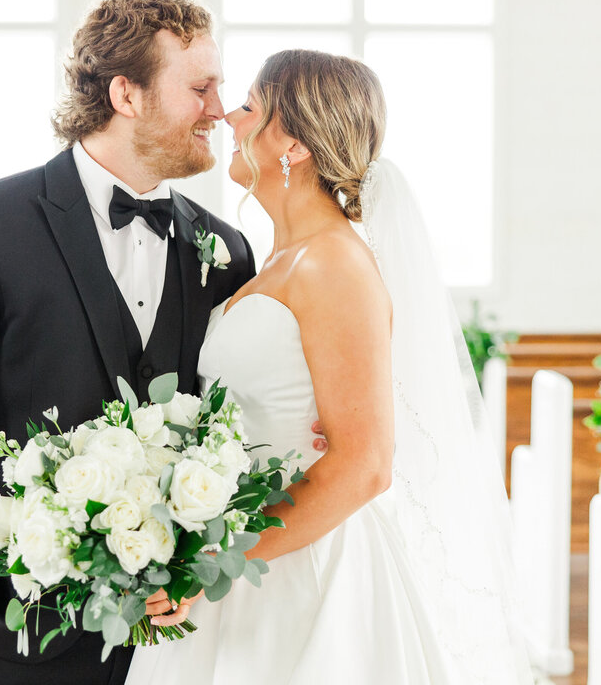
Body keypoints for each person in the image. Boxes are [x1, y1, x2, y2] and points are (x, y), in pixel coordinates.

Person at [0, 0, 266, 684]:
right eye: (201, 88)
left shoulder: (225, 248)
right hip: (15, 627)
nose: (220, 109)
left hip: (180, 637)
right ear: (127, 93)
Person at [125, 50, 535, 684]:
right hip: (247, 554)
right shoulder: (277, 261)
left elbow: (367, 464)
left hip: (304, 572)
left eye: (250, 107)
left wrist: (213, 563)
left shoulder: (334, 264)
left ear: (292, 140)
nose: (230, 118)